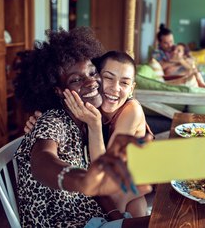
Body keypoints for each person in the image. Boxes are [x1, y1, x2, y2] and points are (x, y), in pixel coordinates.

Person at [14, 27, 150, 227]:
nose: (91, 82)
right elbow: (42, 162)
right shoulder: (53, 121)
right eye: (76, 79)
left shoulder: (86, 120)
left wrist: (115, 217)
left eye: (92, 72)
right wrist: (79, 179)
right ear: (59, 91)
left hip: (96, 213)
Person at [64, 50, 153, 217]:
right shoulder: (92, 103)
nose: (115, 88)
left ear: (132, 88)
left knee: (110, 198)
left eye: (124, 83)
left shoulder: (131, 111)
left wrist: (95, 125)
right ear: (96, 78)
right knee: (136, 207)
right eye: (109, 78)